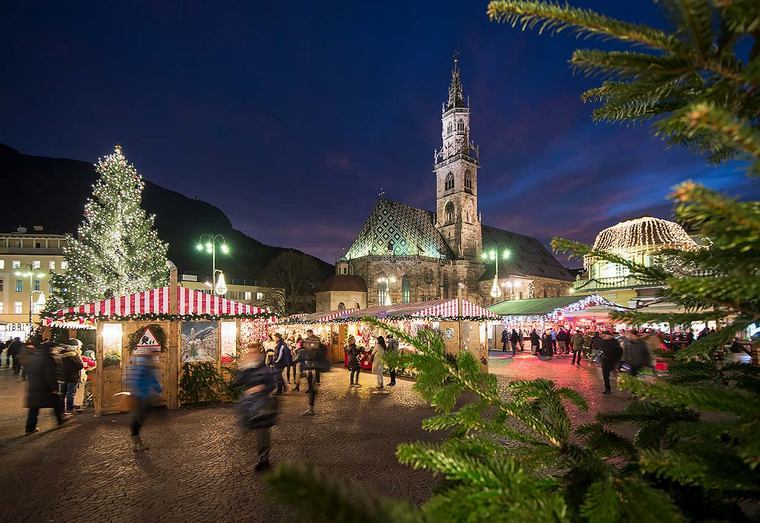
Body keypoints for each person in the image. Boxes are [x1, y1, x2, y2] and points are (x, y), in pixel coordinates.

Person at [236, 347, 278, 471]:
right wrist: (241, 368)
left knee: (262, 431)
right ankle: (262, 457)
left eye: (253, 353)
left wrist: (261, 388)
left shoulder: (265, 369)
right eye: (249, 353)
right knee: (252, 429)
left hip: (262, 405)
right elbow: (238, 382)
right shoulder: (248, 369)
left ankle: (263, 459)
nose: (251, 355)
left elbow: (272, 385)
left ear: (259, 355)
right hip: (249, 405)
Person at [24, 341, 66, 434]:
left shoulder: (34, 356)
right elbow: (50, 375)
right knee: (56, 403)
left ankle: (29, 428)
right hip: (45, 387)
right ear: (50, 349)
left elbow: (27, 370)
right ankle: (60, 421)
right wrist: (55, 388)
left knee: (34, 408)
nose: (56, 350)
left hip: (34, 386)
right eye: (55, 348)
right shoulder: (48, 358)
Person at [125, 355, 162, 451]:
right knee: (139, 419)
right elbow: (154, 382)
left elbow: (128, 380)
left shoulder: (134, 368)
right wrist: (159, 390)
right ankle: (138, 443)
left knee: (135, 418)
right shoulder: (148, 369)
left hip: (135, 396)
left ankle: (136, 443)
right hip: (145, 397)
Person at [299, 329, 326, 415]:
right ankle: (310, 408)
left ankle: (311, 409)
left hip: (313, 368)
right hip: (313, 368)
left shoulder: (313, 345)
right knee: (311, 389)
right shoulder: (316, 344)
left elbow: (312, 357)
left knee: (312, 390)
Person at [59, 339, 84, 414]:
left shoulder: (61, 354)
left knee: (62, 393)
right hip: (72, 377)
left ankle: (61, 409)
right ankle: (69, 409)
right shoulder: (73, 355)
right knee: (70, 393)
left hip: (62, 377)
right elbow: (80, 365)